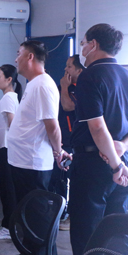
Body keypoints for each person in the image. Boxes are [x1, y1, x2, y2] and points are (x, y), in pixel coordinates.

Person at [69, 24, 128, 255]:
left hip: (94, 165)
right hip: (124, 162)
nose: (82, 48)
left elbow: (97, 127)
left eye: (83, 43)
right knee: (116, 232)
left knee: (87, 234)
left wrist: (115, 165)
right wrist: (122, 148)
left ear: (93, 44)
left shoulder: (90, 76)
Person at [6, 40, 69, 255]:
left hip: (32, 163)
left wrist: (58, 152)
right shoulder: (34, 84)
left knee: (38, 215)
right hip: (22, 160)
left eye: (19, 54)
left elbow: (52, 126)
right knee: (28, 214)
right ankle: (31, 254)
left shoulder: (42, 85)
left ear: (30, 57)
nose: (16, 59)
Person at [49, 54, 85, 231]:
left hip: (74, 143)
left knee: (73, 179)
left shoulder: (82, 89)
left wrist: (64, 87)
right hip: (60, 141)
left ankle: (72, 216)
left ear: (79, 70)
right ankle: (59, 213)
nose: (65, 70)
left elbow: (68, 106)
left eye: (69, 66)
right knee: (58, 179)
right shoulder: (62, 87)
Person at [0, 64, 22, 240]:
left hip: (7, 147)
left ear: (9, 79)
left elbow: (13, 124)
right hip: (4, 147)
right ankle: (7, 223)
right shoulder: (8, 97)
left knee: (8, 189)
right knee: (6, 187)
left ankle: (9, 228)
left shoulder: (9, 98)